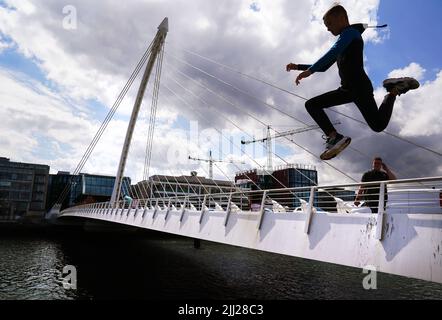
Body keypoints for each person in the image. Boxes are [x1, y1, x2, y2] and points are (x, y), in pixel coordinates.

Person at [286, 4, 420, 160]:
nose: (328, 29)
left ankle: (393, 91)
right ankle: (335, 136)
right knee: (312, 105)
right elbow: (325, 65)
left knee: (377, 125)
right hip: (347, 90)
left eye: (329, 24)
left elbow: (332, 52)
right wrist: (298, 67)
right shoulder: (343, 42)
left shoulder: (351, 33)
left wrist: (310, 71)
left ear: (341, 19)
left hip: (360, 87)